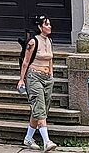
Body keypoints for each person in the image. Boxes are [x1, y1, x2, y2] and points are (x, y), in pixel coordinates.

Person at [17, 16, 58, 151]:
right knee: (39, 107)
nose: (49, 26)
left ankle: (28, 138)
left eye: (50, 24)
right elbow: (25, 62)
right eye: (47, 24)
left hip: (47, 78)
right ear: (40, 27)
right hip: (34, 77)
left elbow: (51, 59)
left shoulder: (50, 41)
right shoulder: (33, 42)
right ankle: (47, 141)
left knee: (41, 109)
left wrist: (51, 75)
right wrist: (21, 80)